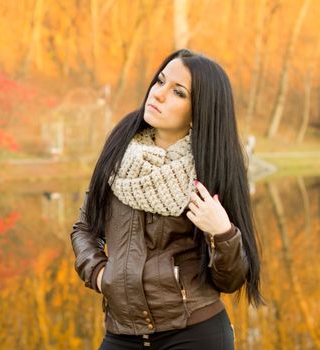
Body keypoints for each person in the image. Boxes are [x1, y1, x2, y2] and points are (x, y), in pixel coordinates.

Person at [70, 49, 263, 350]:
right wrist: (98, 274)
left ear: (200, 111)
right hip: (121, 332)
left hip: (194, 333)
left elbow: (230, 280)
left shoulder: (212, 168)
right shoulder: (120, 151)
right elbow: (86, 228)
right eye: (160, 81)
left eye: (178, 92)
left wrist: (222, 233)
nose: (157, 94)